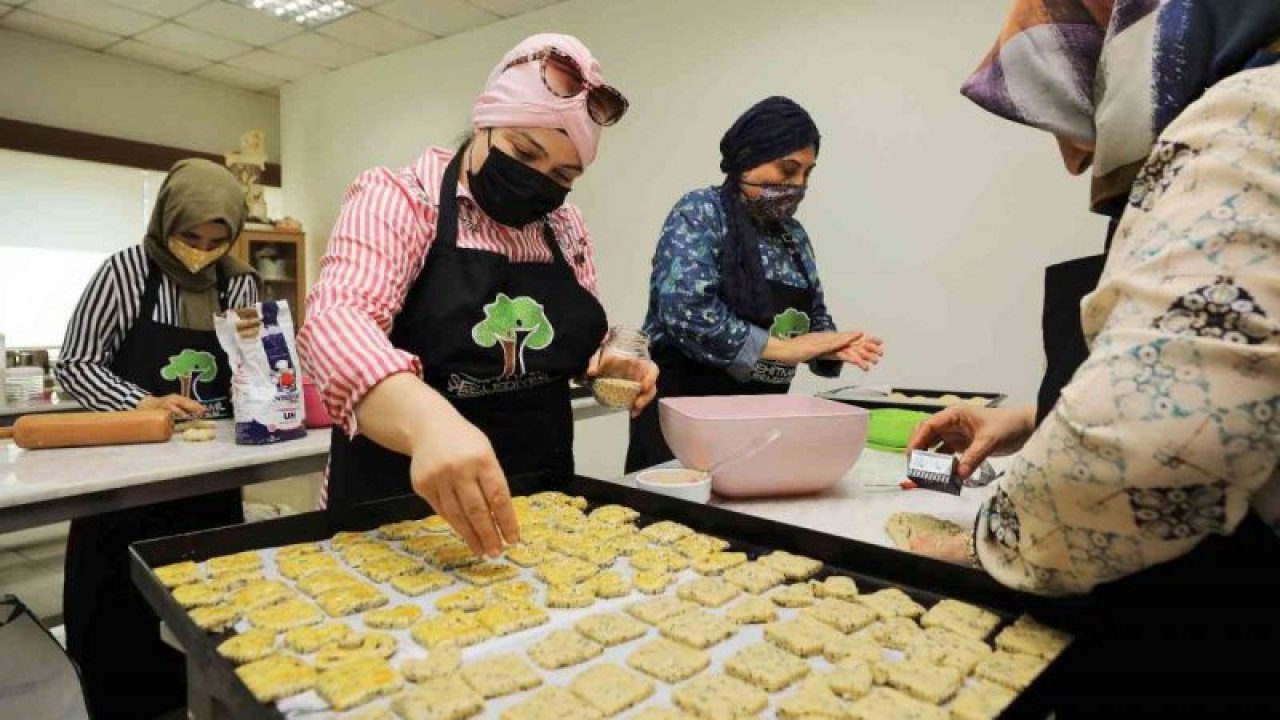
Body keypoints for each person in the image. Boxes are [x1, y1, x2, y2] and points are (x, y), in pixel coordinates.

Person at [904, 2, 1280, 715]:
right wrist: (1030, 419)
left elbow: (1154, 447)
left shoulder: (1251, 115)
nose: (1075, 154)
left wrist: (992, 544)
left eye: (1078, 103)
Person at [299, 34, 656, 558]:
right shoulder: (402, 199)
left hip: (536, 514)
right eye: (523, 152)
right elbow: (335, 321)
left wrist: (603, 362)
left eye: (562, 175)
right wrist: (429, 424)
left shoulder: (564, 227)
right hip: (396, 520)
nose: (537, 181)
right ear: (484, 121)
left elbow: (563, 342)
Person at [54, 158, 259, 719]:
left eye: (217, 241)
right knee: (117, 629)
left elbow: (254, 368)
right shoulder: (124, 274)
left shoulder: (239, 281)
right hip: (124, 485)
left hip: (211, 478)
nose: (202, 252)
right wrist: (140, 404)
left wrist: (262, 348)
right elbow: (75, 364)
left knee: (214, 621)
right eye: (190, 238)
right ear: (166, 220)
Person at [626, 96, 883, 473]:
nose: (798, 184)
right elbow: (686, 312)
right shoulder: (702, 211)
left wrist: (832, 346)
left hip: (758, 429)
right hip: (682, 427)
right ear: (747, 158)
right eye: (788, 169)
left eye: (807, 173)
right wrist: (786, 350)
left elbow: (813, 316)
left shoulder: (794, 237)